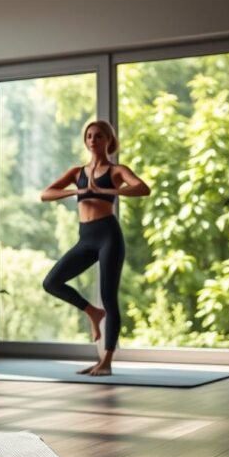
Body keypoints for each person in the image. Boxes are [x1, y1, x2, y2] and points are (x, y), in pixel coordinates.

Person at [39, 120, 151, 376]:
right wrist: (75, 192)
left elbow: (143, 188)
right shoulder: (77, 171)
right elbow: (46, 194)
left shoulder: (115, 170)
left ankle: (106, 361)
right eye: (89, 136)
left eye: (98, 136)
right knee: (52, 282)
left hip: (108, 235)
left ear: (108, 140)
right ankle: (92, 312)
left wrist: (107, 189)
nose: (92, 140)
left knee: (109, 297)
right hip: (85, 238)